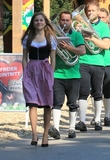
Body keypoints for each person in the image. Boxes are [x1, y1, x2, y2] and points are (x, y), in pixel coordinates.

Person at [48, 11, 86, 139]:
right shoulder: (53, 36)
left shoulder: (76, 35)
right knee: (57, 102)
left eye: (67, 20)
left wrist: (68, 48)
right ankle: (56, 129)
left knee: (72, 103)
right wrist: (54, 46)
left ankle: (71, 128)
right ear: (59, 21)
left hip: (74, 75)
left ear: (71, 21)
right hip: (58, 74)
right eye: (62, 20)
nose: (65, 23)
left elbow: (82, 51)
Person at [21, 12, 57, 147]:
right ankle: (34, 133)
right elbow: (24, 57)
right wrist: (25, 72)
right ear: (33, 22)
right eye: (36, 20)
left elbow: (53, 58)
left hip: (45, 70)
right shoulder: (27, 37)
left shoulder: (50, 38)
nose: (39, 23)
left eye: (41, 20)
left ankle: (46, 134)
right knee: (32, 103)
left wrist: (51, 74)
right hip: (31, 70)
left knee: (47, 103)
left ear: (45, 22)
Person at [75, 1, 110, 131]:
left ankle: (97, 120)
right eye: (88, 11)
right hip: (83, 61)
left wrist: (92, 39)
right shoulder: (81, 25)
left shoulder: (104, 27)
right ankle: (82, 121)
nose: (90, 13)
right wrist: (78, 31)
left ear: (98, 12)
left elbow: (106, 45)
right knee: (83, 92)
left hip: (98, 62)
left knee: (97, 92)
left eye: (93, 11)